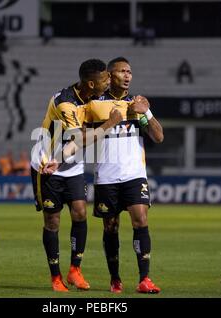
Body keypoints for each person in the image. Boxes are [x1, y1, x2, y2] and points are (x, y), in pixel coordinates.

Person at [30, 59, 122, 292]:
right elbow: (80, 140)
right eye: (105, 79)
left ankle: (75, 270)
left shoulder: (94, 97)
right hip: (47, 164)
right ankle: (55, 276)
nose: (109, 81)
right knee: (53, 221)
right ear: (91, 84)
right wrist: (110, 123)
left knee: (80, 213)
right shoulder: (65, 103)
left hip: (72, 165)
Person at [85, 57, 164, 293]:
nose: (128, 75)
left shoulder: (138, 103)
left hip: (134, 174)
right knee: (111, 227)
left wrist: (147, 113)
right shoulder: (94, 104)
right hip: (106, 177)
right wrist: (108, 123)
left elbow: (158, 137)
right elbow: (84, 140)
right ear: (109, 76)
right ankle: (115, 278)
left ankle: (144, 278)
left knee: (140, 219)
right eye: (122, 71)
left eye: (130, 71)